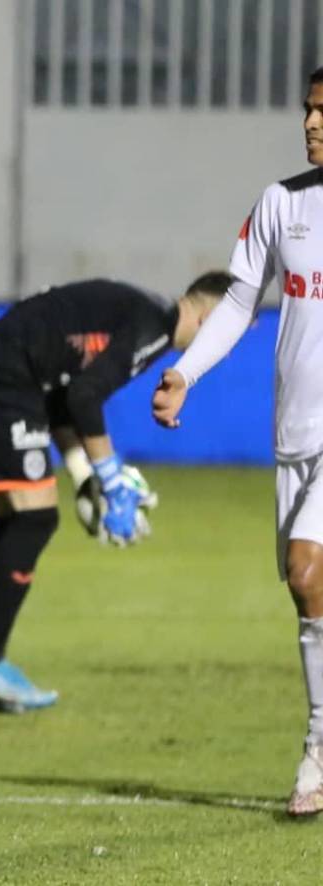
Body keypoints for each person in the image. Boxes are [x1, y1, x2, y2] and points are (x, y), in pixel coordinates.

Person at [152, 67, 323, 817]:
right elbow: (240, 302)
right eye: (309, 110)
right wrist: (185, 373)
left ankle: (318, 750)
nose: (313, 123)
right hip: (296, 434)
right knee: (310, 599)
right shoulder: (282, 203)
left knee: (305, 569)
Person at [0, 272, 231, 712]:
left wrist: (82, 474)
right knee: (33, 520)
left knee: (14, 521)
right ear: (211, 317)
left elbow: (63, 397)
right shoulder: (153, 327)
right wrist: (111, 479)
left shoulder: (142, 312)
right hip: (3, 379)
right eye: (231, 331)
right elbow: (84, 398)